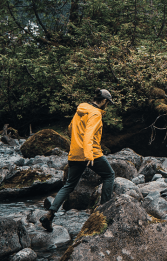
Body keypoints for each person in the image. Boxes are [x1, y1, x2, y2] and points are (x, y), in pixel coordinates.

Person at [40, 88, 117, 231]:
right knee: (109, 175)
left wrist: (76, 145)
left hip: (75, 153)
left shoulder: (81, 109)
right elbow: (88, 135)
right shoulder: (95, 114)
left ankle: (49, 214)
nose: (107, 105)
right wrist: (88, 155)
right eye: (108, 103)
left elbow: (70, 128)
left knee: (69, 185)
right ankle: (105, 211)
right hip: (90, 153)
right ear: (105, 101)